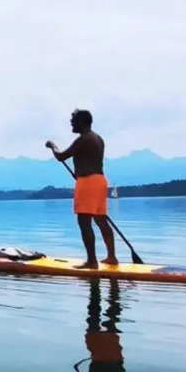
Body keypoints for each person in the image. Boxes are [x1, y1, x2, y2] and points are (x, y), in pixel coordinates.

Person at [46, 109, 118, 269]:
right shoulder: (98, 138)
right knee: (101, 220)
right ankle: (112, 256)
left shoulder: (84, 139)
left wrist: (52, 146)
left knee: (84, 222)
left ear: (82, 122)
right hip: (100, 181)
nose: (71, 124)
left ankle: (92, 261)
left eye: (73, 122)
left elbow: (61, 156)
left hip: (87, 182)